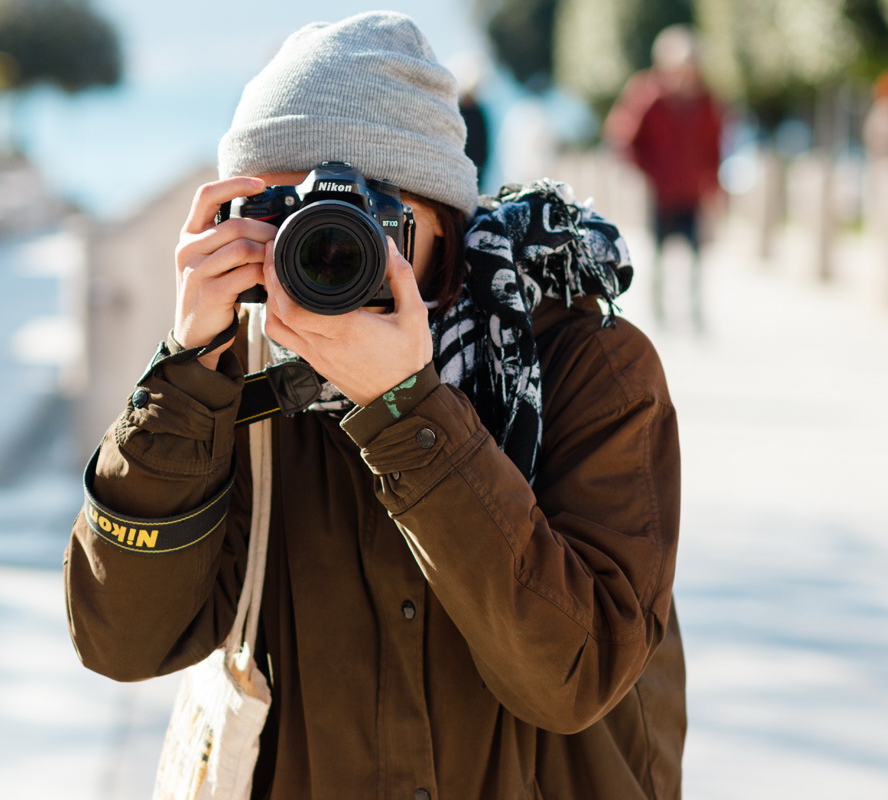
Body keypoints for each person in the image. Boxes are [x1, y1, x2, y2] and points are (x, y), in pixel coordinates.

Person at [65, 12, 683, 800]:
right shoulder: (236, 381)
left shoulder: (588, 364)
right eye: (282, 218)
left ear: (446, 223)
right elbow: (121, 641)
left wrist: (406, 411)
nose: (325, 255)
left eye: (365, 221)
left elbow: (575, 673)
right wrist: (186, 372)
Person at [605, 24, 723, 333]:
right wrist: (647, 173)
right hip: (660, 192)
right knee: (657, 256)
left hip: (691, 192)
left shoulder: (706, 100)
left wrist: (712, 184)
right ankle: (659, 314)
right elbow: (623, 137)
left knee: (697, 258)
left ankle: (696, 315)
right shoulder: (649, 95)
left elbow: (714, 146)